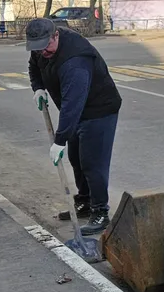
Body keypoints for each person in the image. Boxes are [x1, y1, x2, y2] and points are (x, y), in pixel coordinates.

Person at [26, 18, 122, 235]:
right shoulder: (41, 47)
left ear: (56, 35)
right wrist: (38, 88)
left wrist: (59, 140)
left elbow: (72, 105)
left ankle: (100, 212)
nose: (42, 52)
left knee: (92, 163)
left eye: (46, 47)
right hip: (76, 110)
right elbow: (34, 67)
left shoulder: (75, 60)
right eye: (38, 49)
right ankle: (85, 202)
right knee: (76, 159)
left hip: (99, 110)